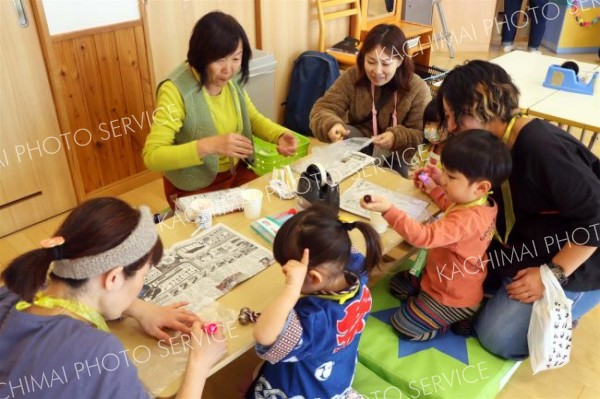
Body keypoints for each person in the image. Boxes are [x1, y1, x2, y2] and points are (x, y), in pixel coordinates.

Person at [430, 60, 600, 359]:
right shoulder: (495, 143)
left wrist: (552, 274)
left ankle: (569, 309)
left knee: (497, 336)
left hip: (585, 255)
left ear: (479, 106)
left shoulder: (540, 146)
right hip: (534, 242)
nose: (453, 128)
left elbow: (596, 219)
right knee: (456, 273)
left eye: (453, 117)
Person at [0, 197, 227, 398]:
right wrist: (200, 363)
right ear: (114, 278)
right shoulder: (97, 354)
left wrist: (138, 308)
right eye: (143, 275)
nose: (140, 286)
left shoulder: (15, 292)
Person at [361, 130, 512, 340]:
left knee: (403, 326)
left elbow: (423, 237)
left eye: (450, 176)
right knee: (397, 284)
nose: (443, 179)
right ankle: (440, 309)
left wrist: (389, 210)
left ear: (481, 187)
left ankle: (455, 319)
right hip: (440, 279)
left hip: (450, 296)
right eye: (444, 171)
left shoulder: (467, 220)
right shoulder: (480, 203)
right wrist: (433, 186)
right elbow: (451, 206)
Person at [143, 11, 297, 210]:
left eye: (236, 59)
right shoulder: (175, 91)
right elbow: (152, 156)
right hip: (194, 184)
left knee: (270, 210)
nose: (229, 69)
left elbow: (251, 117)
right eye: (219, 60)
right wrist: (207, 146)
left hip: (236, 173)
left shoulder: (231, 80)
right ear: (200, 56)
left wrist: (279, 135)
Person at [246, 204, 382, 398]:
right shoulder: (357, 270)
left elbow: (263, 335)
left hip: (302, 390)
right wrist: (326, 225)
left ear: (314, 277)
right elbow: (337, 242)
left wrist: (291, 290)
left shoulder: (314, 319)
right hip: (336, 378)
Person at [309, 24, 431, 176]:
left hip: (396, 155)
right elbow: (323, 108)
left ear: (400, 61)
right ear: (363, 57)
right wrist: (331, 124)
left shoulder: (417, 88)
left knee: (390, 182)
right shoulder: (354, 76)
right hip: (360, 143)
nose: (377, 71)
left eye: (386, 63)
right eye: (371, 62)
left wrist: (396, 137)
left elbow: (423, 135)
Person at [410, 98, 448, 172]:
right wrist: (422, 178)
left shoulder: (453, 159)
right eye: (428, 123)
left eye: (438, 125)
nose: (431, 129)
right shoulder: (423, 150)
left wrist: (426, 180)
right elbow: (413, 170)